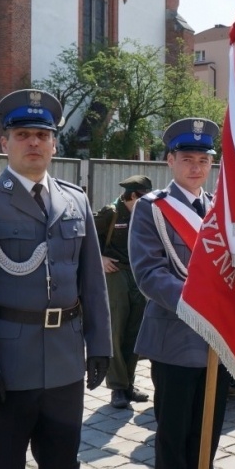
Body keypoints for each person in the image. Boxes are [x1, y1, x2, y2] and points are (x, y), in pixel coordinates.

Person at [0, 89, 112, 469]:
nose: (33, 142)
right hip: (7, 367)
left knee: (63, 465)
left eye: (42, 134)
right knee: (2, 466)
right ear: (5, 143)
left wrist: (99, 344)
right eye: (22, 135)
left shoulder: (75, 200)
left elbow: (93, 282)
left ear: (54, 143)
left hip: (66, 365)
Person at [129, 117, 229, 469]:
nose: (196, 166)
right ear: (169, 160)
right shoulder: (152, 208)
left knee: (209, 434)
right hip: (174, 337)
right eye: (187, 158)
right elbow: (149, 274)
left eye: (203, 160)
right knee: (174, 437)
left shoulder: (221, 209)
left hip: (218, 340)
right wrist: (201, 302)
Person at [95, 175, 153, 409]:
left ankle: (129, 383)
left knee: (135, 330)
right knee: (117, 329)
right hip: (115, 272)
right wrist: (100, 257)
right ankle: (117, 387)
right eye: (144, 197)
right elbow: (85, 235)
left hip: (139, 274)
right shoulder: (111, 212)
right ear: (132, 196)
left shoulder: (146, 214)